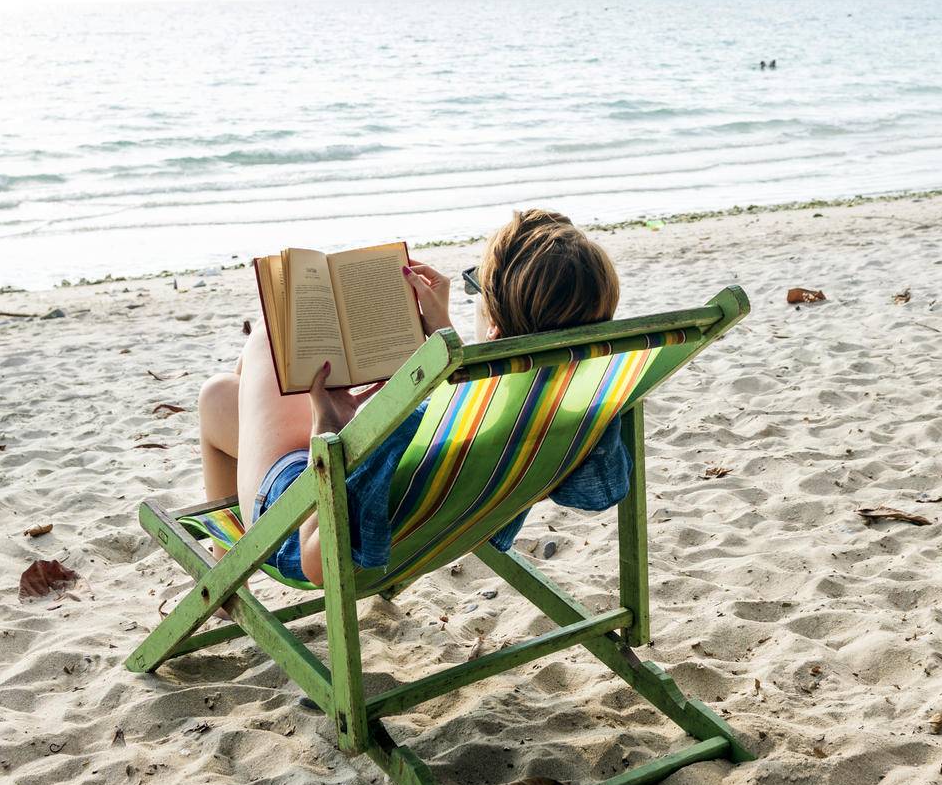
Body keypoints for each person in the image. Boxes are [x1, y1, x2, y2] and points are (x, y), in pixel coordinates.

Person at [196, 209, 624, 586]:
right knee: (226, 394)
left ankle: (227, 572)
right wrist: (445, 345)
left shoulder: (418, 425)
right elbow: (597, 491)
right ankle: (223, 566)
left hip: (297, 522)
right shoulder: (587, 402)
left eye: (478, 289)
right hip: (437, 530)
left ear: (492, 322)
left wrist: (326, 431)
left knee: (256, 353)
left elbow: (318, 562)